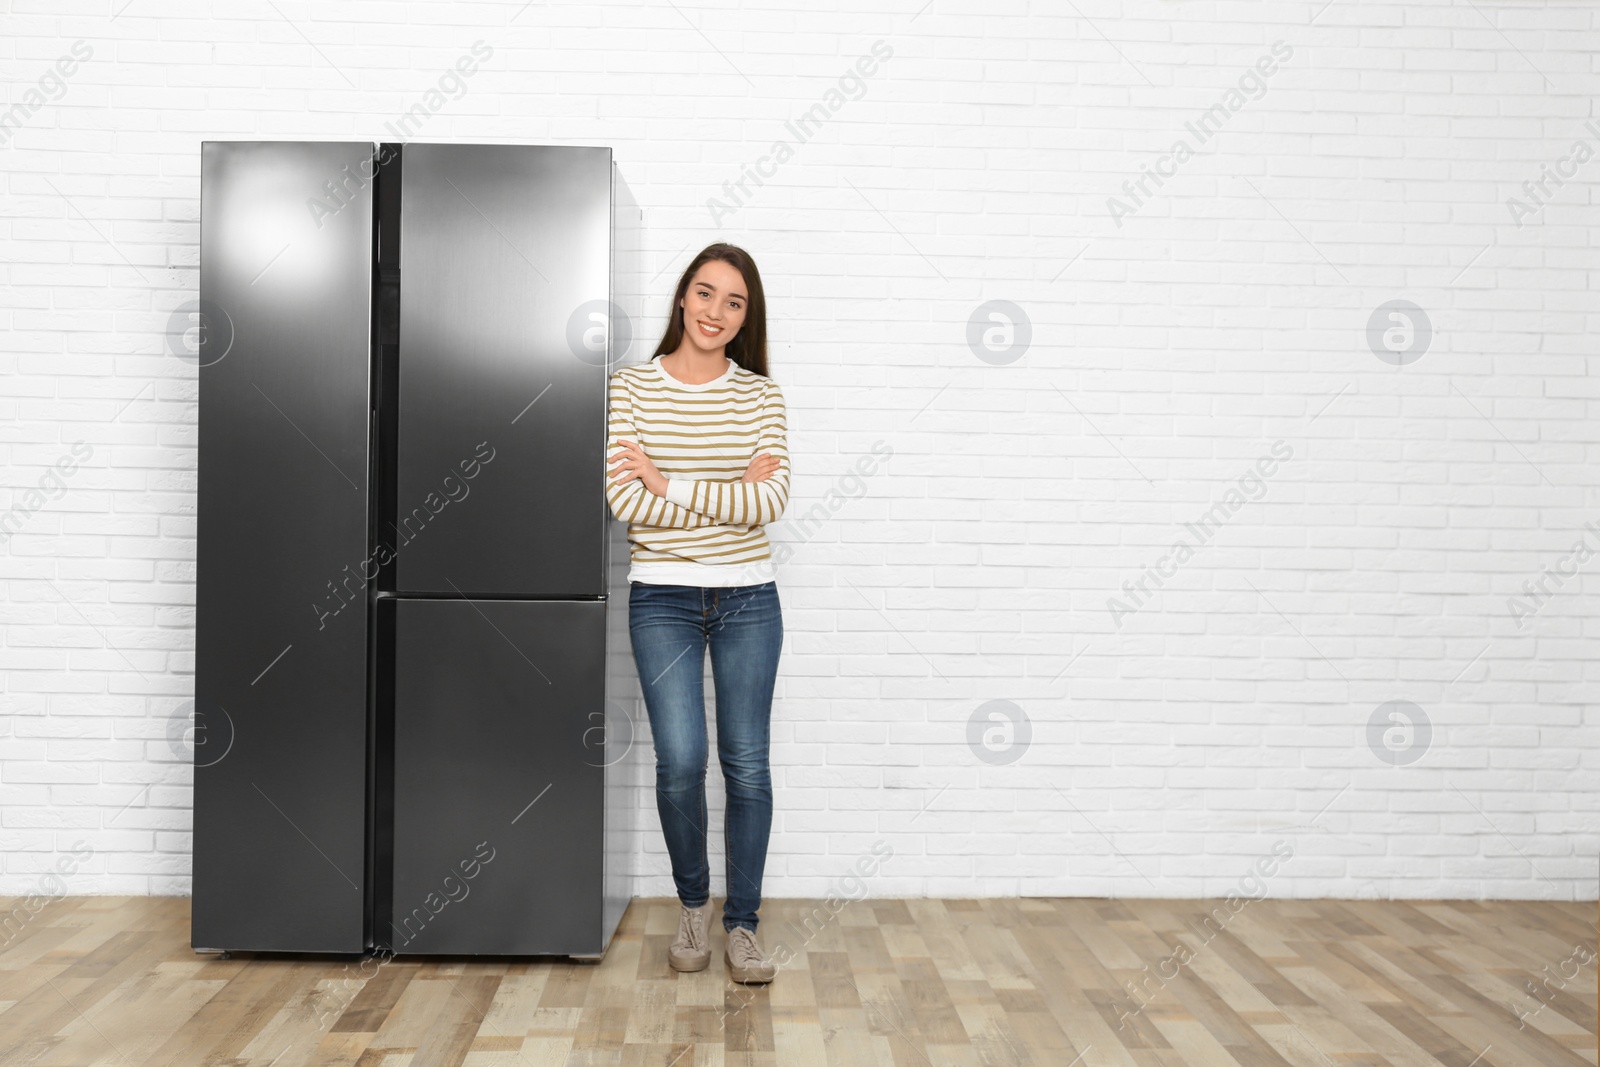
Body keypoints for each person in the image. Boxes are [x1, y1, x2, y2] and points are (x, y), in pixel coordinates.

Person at [603, 242, 789, 984]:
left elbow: (769, 502)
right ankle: (692, 904)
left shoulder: (761, 397)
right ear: (683, 298)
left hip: (749, 597)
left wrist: (669, 481)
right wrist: (724, 490)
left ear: (747, 317)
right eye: (705, 294)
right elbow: (625, 502)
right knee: (681, 760)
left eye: (734, 302)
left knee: (746, 764)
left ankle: (741, 923)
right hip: (662, 598)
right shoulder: (631, 388)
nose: (716, 312)